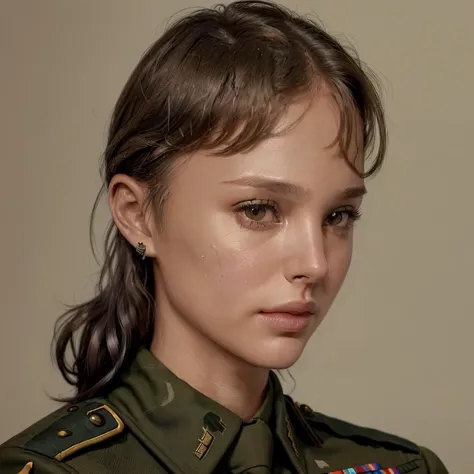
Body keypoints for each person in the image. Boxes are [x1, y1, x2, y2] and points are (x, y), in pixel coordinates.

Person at [0, 1, 449, 473]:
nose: (315, 263)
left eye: (338, 215)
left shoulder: (405, 468)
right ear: (138, 215)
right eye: (258, 210)